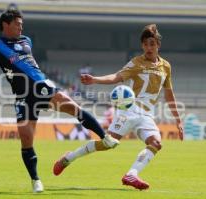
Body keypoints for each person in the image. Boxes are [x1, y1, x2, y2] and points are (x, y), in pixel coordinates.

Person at [0, 9, 119, 193]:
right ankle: (36, 180)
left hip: (41, 86)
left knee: (72, 107)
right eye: (17, 24)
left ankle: (105, 138)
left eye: (22, 24)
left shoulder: (26, 40)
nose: (21, 27)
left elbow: (28, 64)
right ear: (6, 24)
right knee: (26, 138)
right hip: (22, 95)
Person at [53, 24, 184, 190]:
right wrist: (95, 80)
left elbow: (169, 93)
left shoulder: (166, 66)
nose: (148, 47)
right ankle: (68, 158)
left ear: (158, 44)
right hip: (129, 109)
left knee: (156, 143)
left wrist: (178, 119)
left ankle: (132, 174)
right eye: (145, 44)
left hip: (146, 114)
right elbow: (116, 77)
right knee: (109, 143)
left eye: (152, 43)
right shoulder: (137, 63)